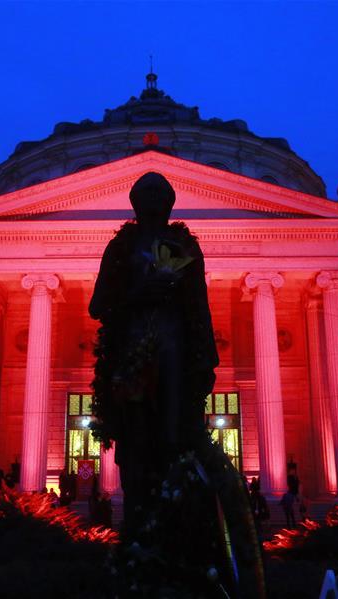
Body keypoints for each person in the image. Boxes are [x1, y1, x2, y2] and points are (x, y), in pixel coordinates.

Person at [88, 172, 219, 537]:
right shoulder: (121, 248)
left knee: (175, 431)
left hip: (175, 348)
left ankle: (175, 521)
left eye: (160, 194)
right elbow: (97, 305)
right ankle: (137, 523)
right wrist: (137, 295)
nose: (154, 200)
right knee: (136, 436)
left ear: (170, 202)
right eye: (146, 194)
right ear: (134, 202)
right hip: (131, 351)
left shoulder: (184, 247)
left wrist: (208, 359)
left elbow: (200, 304)